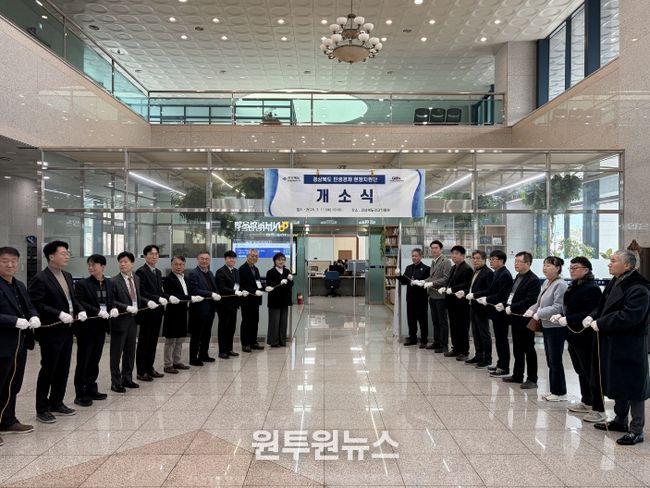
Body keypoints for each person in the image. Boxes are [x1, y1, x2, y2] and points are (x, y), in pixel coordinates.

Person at [588, 250, 650, 445]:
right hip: (614, 341)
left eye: (613, 261)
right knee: (619, 381)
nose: (609, 264)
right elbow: (603, 306)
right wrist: (593, 316)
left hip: (630, 343)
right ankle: (620, 420)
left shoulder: (639, 287)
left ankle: (636, 429)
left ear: (627, 265)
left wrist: (602, 323)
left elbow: (630, 316)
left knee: (634, 386)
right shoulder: (616, 281)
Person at [29, 240, 85, 424]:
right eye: (63, 253)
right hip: (51, 331)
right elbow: (36, 304)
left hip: (67, 329)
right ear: (51, 256)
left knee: (63, 368)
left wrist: (79, 310)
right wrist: (58, 313)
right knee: (49, 369)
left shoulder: (67, 275)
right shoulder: (40, 278)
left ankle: (57, 402)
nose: (67, 256)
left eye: (67, 253)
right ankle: (42, 408)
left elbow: (72, 299)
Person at [550, 257, 604, 421]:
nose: (572, 270)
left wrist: (569, 318)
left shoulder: (592, 288)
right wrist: (561, 315)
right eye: (571, 268)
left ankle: (597, 406)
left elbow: (591, 311)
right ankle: (586, 400)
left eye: (576, 268)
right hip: (572, 333)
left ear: (586, 270)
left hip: (585, 335)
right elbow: (569, 307)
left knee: (590, 371)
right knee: (580, 369)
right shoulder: (574, 285)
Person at [0, 247, 39, 443]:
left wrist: (34, 316)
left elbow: (29, 306)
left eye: (14, 261)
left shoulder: (19, 285)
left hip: (19, 344)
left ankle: (8, 420)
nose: (10, 265)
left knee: (13, 384)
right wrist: (13, 321)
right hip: (2, 344)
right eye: (5, 261)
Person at [524, 256, 568, 401]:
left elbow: (558, 306)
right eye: (544, 265)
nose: (545, 268)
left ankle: (560, 392)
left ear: (558, 268)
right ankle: (554, 389)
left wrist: (539, 313)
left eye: (549, 265)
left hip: (556, 326)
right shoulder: (547, 283)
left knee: (555, 360)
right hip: (547, 325)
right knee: (550, 360)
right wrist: (531, 310)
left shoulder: (560, 284)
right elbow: (539, 303)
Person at [72, 254, 112, 407]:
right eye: (89, 265)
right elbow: (79, 301)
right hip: (86, 328)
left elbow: (111, 300)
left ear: (103, 267)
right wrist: (97, 311)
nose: (90, 267)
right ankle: (80, 393)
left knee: (95, 359)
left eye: (93, 265)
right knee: (84, 360)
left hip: (101, 327)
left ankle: (91, 389)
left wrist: (113, 308)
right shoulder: (83, 284)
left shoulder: (109, 283)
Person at [109, 251, 149, 393]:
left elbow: (137, 297)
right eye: (120, 262)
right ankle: (116, 382)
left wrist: (147, 302)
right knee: (116, 353)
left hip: (133, 320)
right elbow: (111, 301)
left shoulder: (136, 278)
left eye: (126, 261)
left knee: (130, 351)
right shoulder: (113, 281)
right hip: (120, 320)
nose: (123, 264)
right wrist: (126, 307)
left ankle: (127, 378)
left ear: (132, 263)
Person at [501, 251, 541, 389]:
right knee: (517, 348)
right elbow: (511, 294)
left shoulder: (533, 280)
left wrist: (512, 307)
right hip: (515, 318)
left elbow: (530, 300)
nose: (516, 264)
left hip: (525, 319)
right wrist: (505, 304)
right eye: (515, 261)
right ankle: (517, 375)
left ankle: (532, 378)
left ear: (528, 263)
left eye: (519, 261)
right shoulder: (518, 276)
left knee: (528, 349)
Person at [135, 244, 168, 382]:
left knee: (153, 341)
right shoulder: (140, 272)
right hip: (147, 312)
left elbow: (159, 291)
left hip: (157, 312)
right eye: (151, 254)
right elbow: (142, 293)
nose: (154, 256)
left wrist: (166, 297)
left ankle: (150, 368)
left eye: (156, 254)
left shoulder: (158, 272)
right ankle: (141, 371)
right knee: (144, 342)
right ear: (145, 256)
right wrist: (157, 298)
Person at [479, 250, 513, 378]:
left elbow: (501, 294)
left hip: (501, 312)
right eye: (491, 259)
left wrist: (487, 299)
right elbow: (490, 290)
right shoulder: (496, 273)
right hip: (495, 312)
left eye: (493, 259)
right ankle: (500, 363)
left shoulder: (505, 274)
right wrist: (480, 296)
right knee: (499, 340)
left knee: (502, 340)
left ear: (501, 260)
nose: (491, 261)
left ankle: (504, 367)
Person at [187, 251, 220, 365]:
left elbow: (214, 287)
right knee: (197, 335)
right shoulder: (193, 273)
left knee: (206, 334)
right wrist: (211, 294)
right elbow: (194, 290)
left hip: (210, 309)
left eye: (207, 259)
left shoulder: (210, 273)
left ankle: (204, 354)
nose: (204, 261)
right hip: (198, 309)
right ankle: (193, 358)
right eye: (202, 258)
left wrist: (216, 294)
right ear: (198, 259)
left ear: (209, 260)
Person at [440, 245, 472, 360]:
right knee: (453, 327)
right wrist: (445, 288)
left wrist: (452, 289)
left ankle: (464, 351)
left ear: (462, 255)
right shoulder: (454, 267)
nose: (453, 256)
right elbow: (450, 282)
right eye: (452, 253)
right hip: (452, 303)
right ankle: (456, 349)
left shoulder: (467, 268)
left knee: (462, 328)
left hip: (461, 304)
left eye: (456, 254)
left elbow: (467, 285)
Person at [161, 255, 191, 374]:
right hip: (172, 313)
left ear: (184, 265)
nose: (178, 267)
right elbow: (173, 294)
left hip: (183, 311)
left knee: (180, 338)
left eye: (181, 264)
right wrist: (190, 298)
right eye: (176, 264)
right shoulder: (169, 279)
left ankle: (176, 361)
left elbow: (187, 292)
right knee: (171, 340)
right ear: (171, 265)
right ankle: (168, 364)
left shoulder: (185, 278)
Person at [464, 250, 493, 368]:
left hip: (482, 307)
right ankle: (478, 355)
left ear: (484, 260)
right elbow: (472, 288)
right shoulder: (474, 271)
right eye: (473, 258)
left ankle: (487, 358)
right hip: (473, 306)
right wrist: (466, 293)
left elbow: (489, 290)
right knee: (475, 333)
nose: (475, 260)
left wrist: (475, 295)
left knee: (484, 334)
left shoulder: (488, 272)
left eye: (477, 258)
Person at [396, 248, 430, 347]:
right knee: (411, 320)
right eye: (412, 256)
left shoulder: (426, 268)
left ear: (421, 256)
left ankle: (424, 340)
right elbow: (404, 281)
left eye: (416, 256)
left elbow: (427, 282)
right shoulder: (408, 268)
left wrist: (419, 282)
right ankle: (412, 339)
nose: (414, 257)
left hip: (421, 299)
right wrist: (398, 275)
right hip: (410, 298)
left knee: (423, 321)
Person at [425, 240, 452, 352]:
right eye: (432, 248)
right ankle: (436, 342)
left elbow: (446, 278)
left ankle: (444, 345)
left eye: (436, 248)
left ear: (441, 249)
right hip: (432, 295)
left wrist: (432, 283)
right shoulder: (434, 261)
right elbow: (432, 277)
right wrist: (423, 281)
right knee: (435, 321)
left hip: (441, 296)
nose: (433, 250)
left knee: (442, 322)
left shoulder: (446, 261)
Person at [215, 250, 242, 359]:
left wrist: (241, 291)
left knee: (231, 327)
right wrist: (234, 291)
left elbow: (237, 285)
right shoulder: (220, 271)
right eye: (229, 258)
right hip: (223, 305)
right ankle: (222, 351)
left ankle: (229, 349)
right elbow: (221, 287)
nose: (232, 260)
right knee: (223, 328)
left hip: (234, 304)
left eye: (233, 258)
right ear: (225, 259)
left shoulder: (236, 271)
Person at [238, 249, 265, 352]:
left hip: (255, 300)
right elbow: (243, 285)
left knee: (255, 321)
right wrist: (254, 291)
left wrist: (263, 288)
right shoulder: (242, 269)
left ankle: (253, 342)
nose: (254, 258)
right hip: (246, 300)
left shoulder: (256, 269)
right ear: (247, 256)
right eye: (252, 256)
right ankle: (245, 344)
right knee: (246, 322)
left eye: (256, 256)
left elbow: (258, 283)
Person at [266, 252, 293, 348]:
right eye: (279, 260)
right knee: (275, 321)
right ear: (275, 261)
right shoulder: (270, 272)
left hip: (284, 300)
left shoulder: (287, 271)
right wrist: (279, 282)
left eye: (283, 260)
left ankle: (282, 341)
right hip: (274, 301)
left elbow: (290, 286)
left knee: (283, 322)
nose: (281, 261)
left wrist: (290, 280)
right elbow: (269, 285)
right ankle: (274, 342)